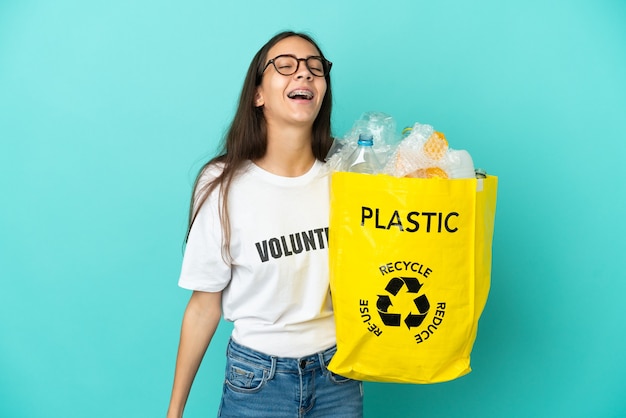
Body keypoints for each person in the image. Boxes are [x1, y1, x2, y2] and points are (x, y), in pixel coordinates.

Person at [166, 31, 363, 418]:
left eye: (315, 68)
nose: (304, 75)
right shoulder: (222, 185)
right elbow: (204, 305)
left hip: (338, 377)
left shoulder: (350, 177)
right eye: (285, 66)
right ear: (257, 94)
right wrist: (174, 412)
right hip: (257, 381)